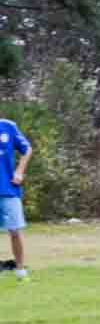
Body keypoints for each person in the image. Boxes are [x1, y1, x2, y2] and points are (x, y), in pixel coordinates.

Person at [0, 114, 32, 280]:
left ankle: (20, 269)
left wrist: (19, 171)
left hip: (8, 189)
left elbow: (27, 149)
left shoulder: (8, 126)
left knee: (14, 231)